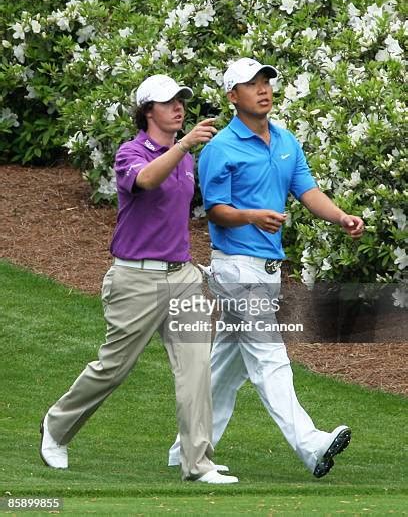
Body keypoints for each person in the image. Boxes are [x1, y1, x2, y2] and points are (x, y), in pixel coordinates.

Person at [168, 58, 364, 478]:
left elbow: (308, 191)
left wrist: (341, 216)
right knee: (270, 357)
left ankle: (185, 447)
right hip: (235, 268)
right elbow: (215, 212)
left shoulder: (286, 141)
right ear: (232, 96)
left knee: (226, 367)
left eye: (266, 82)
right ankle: (312, 445)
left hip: (268, 270)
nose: (263, 89)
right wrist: (253, 216)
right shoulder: (220, 148)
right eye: (251, 84)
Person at [40, 74, 238, 484]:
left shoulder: (185, 160)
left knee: (197, 367)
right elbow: (146, 180)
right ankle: (56, 428)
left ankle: (196, 462)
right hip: (135, 279)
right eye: (168, 103)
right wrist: (183, 144)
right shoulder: (131, 152)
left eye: (181, 101)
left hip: (182, 277)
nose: (178, 108)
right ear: (148, 110)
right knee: (114, 366)